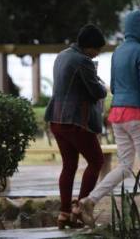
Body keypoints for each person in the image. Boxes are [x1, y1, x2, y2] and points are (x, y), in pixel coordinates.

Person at [79, 10, 140, 225]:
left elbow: (113, 86)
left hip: (117, 114)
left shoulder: (117, 52)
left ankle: (91, 200)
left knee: (125, 166)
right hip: (138, 114)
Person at [44, 24, 107, 229]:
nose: (97, 54)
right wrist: (102, 85)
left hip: (56, 119)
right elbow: (97, 92)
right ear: (89, 46)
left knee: (69, 166)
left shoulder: (62, 55)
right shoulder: (83, 61)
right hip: (75, 121)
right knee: (96, 161)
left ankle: (64, 213)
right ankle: (79, 210)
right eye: (97, 49)